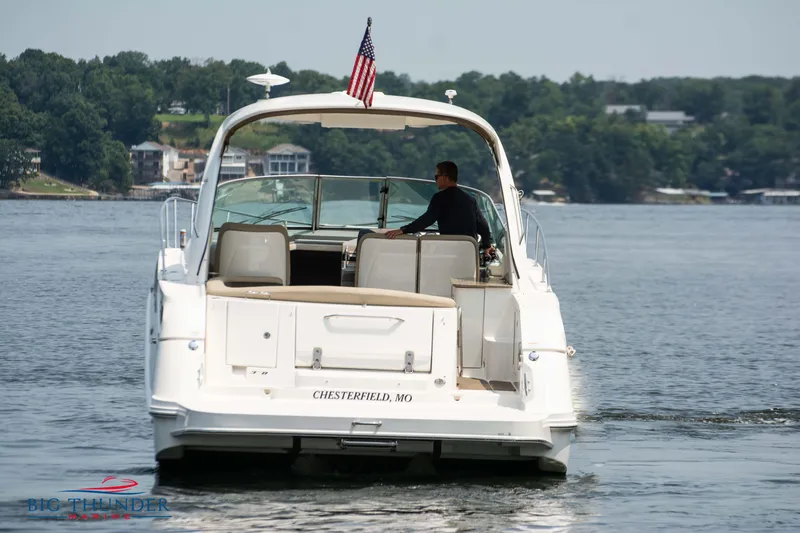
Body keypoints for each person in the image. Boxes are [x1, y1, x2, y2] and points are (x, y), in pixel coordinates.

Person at [385, 161, 495, 257]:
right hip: (469, 253)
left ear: (445, 177)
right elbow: (484, 227)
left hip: (449, 251)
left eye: (436, 176)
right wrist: (487, 246)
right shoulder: (471, 200)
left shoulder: (439, 198)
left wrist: (403, 230)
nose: (436, 180)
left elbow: (426, 220)